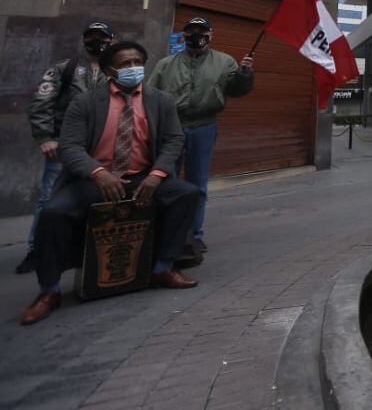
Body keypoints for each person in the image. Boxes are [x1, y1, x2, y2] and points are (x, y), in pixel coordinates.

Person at [20, 41, 200, 326]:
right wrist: (97, 173)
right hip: (95, 178)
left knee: (186, 194)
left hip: (142, 176)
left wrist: (157, 174)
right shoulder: (86, 102)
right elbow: (70, 146)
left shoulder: (160, 100)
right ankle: (49, 290)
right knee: (54, 213)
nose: (133, 68)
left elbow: (174, 139)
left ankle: (163, 267)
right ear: (109, 71)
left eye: (137, 62)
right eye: (125, 64)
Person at [146, 17, 254, 259]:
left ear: (210, 35)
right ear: (184, 35)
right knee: (166, 180)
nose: (197, 35)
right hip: (171, 128)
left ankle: (194, 234)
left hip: (204, 126)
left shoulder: (224, 62)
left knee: (198, 184)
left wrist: (245, 74)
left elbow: (237, 90)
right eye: (192, 31)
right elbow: (150, 96)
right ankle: (165, 232)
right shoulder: (166, 64)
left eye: (202, 31)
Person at [18, 21, 115, 275]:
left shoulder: (114, 71)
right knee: (50, 197)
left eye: (102, 37)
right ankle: (36, 250)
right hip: (64, 144)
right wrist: (45, 137)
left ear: (111, 41)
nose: (96, 42)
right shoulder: (66, 68)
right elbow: (41, 102)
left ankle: (80, 248)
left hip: (100, 147)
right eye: (91, 37)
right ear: (84, 40)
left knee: (93, 197)